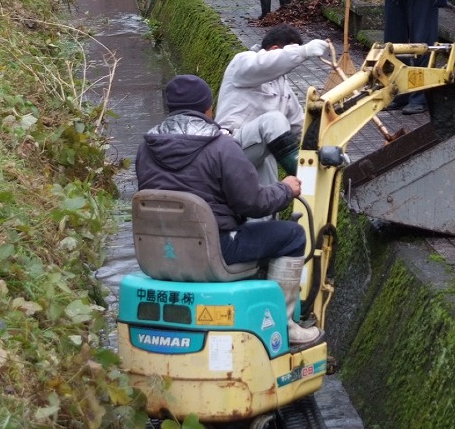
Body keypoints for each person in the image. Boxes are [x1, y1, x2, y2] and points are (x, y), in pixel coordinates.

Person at [136, 74, 322, 348]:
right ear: (208, 107)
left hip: (158, 254)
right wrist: (285, 189)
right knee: (291, 235)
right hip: (216, 250)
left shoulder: (146, 147)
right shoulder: (221, 146)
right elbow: (253, 203)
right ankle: (285, 325)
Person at [216, 24, 330, 183]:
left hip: (256, 152)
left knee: (271, 159)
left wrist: (330, 135)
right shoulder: (243, 62)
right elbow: (263, 64)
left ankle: (274, 202)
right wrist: (303, 51)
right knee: (273, 120)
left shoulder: (284, 88)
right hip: (229, 147)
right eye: (289, 52)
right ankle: (305, 176)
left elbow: (299, 126)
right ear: (275, 49)